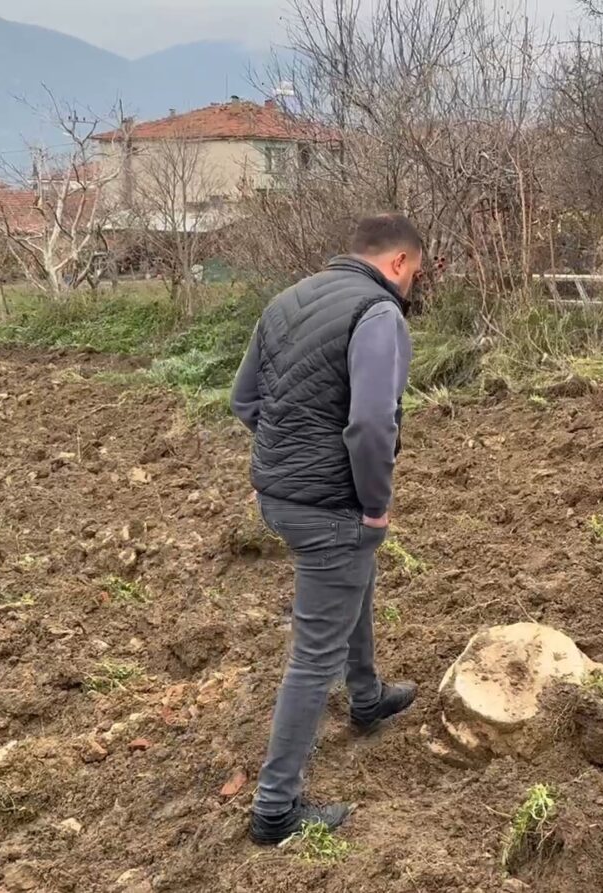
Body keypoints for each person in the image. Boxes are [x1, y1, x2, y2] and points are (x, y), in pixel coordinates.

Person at [230, 213, 425, 844]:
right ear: (397, 262)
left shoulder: (289, 299)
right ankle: (275, 810)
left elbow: (244, 400)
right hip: (330, 505)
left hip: (278, 496)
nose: (412, 288)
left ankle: (366, 696)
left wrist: (289, 459)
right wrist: (373, 504)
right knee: (313, 657)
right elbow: (371, 423)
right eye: (415, 274)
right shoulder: (377, 314)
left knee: (352, 574)